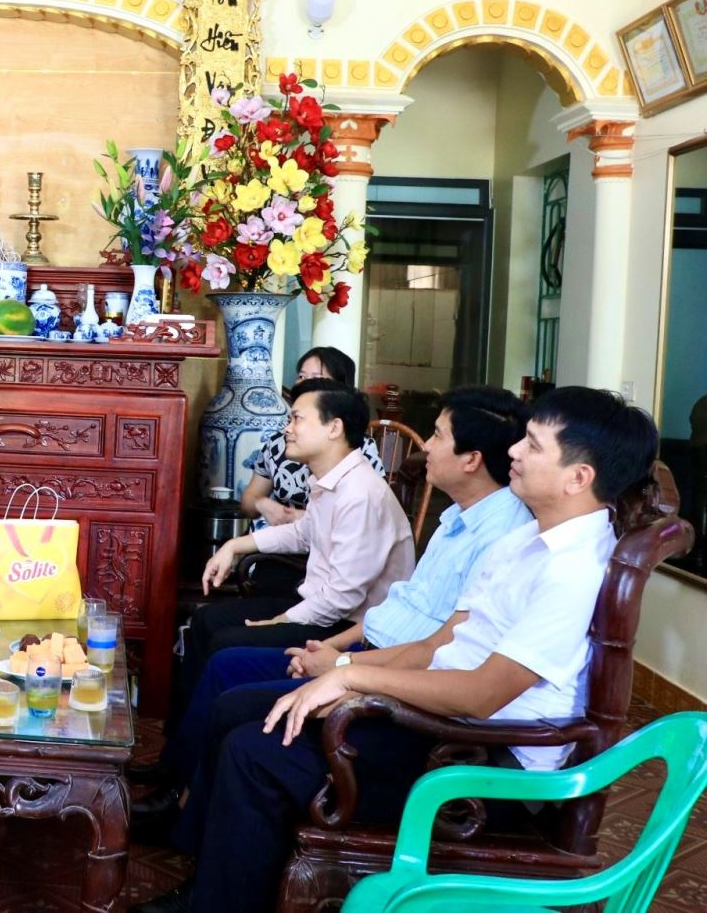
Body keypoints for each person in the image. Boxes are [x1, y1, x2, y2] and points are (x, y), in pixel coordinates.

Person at [135, 386, 659, 913]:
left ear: (578, 477)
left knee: (257, 751)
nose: (515, 453)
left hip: (486, 762)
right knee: (253, 714)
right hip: (443, 722)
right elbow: (436, 643)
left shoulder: (572, 570)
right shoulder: (524, 543)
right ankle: (213, 875)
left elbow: (481, 695)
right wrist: (343, 665)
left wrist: (351, 678)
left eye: (534, 445)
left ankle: (215, 901)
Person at [133, 386, 532, 830]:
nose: (426, 447)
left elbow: (377, 617)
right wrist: (239, 545)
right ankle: (176, 780)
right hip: (364, 640)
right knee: (211, 628)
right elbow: (313, 544)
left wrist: (325, 651)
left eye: (436, 435)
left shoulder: (490, 531)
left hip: (365, 643)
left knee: (230, 667)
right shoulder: (452, 518)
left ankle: (180, 802)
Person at [177, 379, 415, 714]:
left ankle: (194, 753)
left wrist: (280, 621)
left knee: (225, 644)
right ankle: (179, 753)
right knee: (205, 622)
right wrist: (235, 545)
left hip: (349, 628)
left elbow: (340, 598)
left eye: (297, 419)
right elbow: (303, 532)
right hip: (323, 609)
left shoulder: (360, 494)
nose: (287, 429)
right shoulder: (331, 479)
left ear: (334, 428)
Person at [239, 347, 386, 529]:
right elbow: (249, 498)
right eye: (301, 376)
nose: (303, 385)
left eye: (316, 378)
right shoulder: (281, 442)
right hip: (280, 542)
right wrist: (262, 504)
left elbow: (367, 518)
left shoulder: (356, 450)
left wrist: (302, 518)